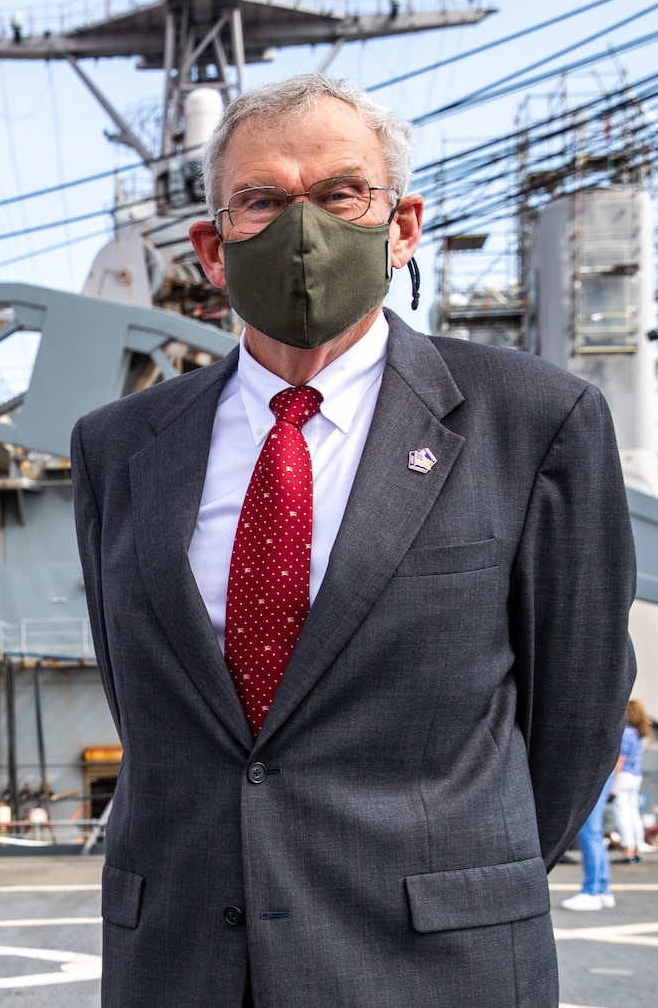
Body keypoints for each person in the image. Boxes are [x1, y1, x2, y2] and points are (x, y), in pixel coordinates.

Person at [72, 73, 636, 1007]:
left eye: (341, 194)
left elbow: (575, 715)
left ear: (401, 225)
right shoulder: (119, 446)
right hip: (180, 959)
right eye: (260, 200)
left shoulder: (534, 421)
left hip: (434, 965)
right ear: (213, 248)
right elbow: (146, 706)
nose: (304, 228)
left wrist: (464, 881)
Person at [560, 767, 616, 911]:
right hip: (603, 769)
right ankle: (602, 889)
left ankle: (591, 891)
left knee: (589, 831)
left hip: (594, 771)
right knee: (594, 832)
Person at [614, 699, 650, 863]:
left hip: (624, 776)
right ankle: (637, 847)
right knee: (633, 812)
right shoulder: (638, 733)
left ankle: (627, 850)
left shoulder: (626, 732)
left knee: (621, 812)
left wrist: (612, 786)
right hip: (636, 776)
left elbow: (620, 760)